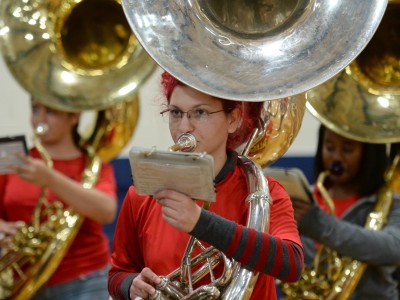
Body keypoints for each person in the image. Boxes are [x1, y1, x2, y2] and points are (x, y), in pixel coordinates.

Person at [108, 71, 304, 300]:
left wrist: (200, 223)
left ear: (233, 119)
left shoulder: (265, 192)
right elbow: (117, 274)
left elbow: (291, 263)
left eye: (199, 113)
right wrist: (131, 285)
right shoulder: (142, 196)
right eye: (175, 113)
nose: (184, 127)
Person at [0, 98, 118, 300]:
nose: (39, 119)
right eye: (35, 110)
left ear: (74, 116)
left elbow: (107, 210)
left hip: (85, 280)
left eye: (51, 112)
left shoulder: (92, 166)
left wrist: (50, 178)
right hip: (22, 280)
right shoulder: (15, 161)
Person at [291, 124, 400, 299]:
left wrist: (320, 225)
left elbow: (394, 248)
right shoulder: (307, 200)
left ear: (368, 154)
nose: (336, 157)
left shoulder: (389, 202)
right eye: (329, 147)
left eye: (347, 149)